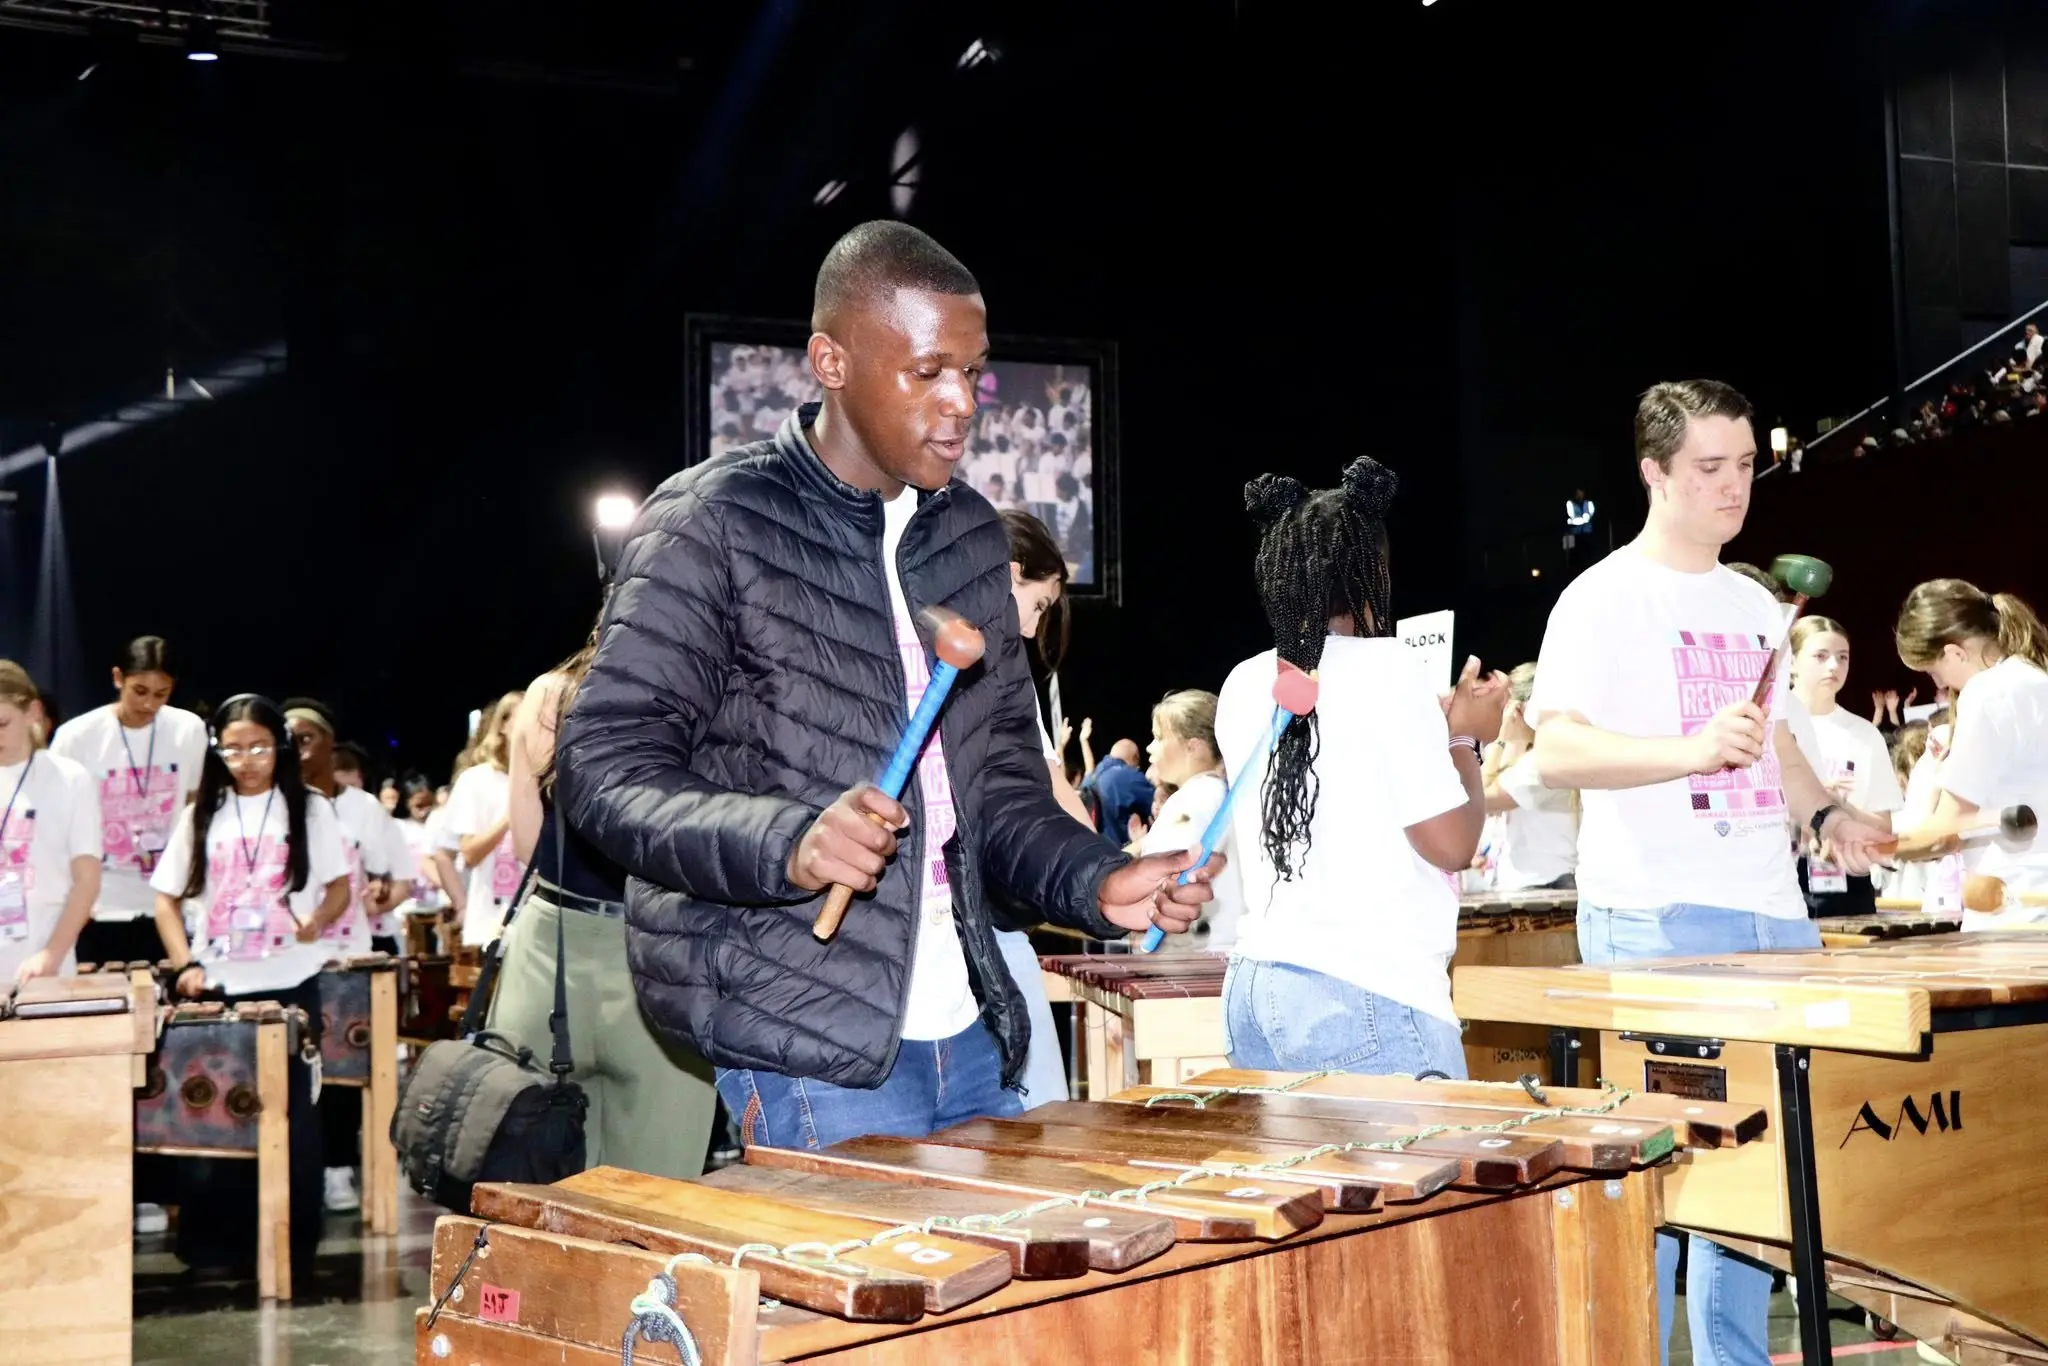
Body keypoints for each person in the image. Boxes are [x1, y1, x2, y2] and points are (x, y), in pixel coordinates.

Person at [555, 220, 1217, 1150]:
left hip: (976, 1023)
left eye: (973, 373)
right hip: (807, 1034)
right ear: (831, 360)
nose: (961, 404)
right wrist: (789, 842)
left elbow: (1003, 792)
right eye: (927, 371)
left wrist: (1097, 880)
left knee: (1000, 1297)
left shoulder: (973, 538)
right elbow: (603, 765)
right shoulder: (713, 519)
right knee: (873, 1297)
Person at [1527, 380, 1891, 1366]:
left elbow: (1772, 739)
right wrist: (1683, 752)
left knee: (1755, 1186)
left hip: (1771, 916)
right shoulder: (1598, 598)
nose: (1733, 489)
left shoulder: (1752, 602)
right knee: (1659, 1182)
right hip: (1656, 916)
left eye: (1743, 467)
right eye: (1708, 469)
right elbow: (1554, 753)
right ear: (1653, 472)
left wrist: (1826, 814)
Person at [1218, 456, 1504, 1079]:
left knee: (1299, 1180)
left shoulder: (1242, 682)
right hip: (1367, 992)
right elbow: (1451, 845)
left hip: (1257, 990)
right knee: (1420, 1177)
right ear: (1371, 571)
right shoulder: (1391, 669)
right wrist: (1467, 740)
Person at [490, 637, 719, 1178]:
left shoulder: (550, 695)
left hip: (553, 950)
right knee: (658, 1194)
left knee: (534, 1180)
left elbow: (528, 847)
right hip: (663, 952)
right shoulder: (705, 692)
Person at [149, 694, 349, 1275]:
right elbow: (165, 898)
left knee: (293, 1116)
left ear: (279, 746)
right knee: (218, 1117)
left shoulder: (309, 807)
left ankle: (291, 1240)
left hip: (291, 981)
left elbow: (339, 885)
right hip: (221, 984)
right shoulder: (203, 813)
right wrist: (185, 961)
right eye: (232, 748)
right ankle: (215, 1244)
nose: (247, 760)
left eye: (259, 746)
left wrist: (314, 922)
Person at [983, 509, 1094, 1110]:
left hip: (980, 927)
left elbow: (1056, 787)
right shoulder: (992, 670)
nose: (1033, 629)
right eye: (1041, 603)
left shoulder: (1003, 672)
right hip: (976, 931)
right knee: (1040, 1114)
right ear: (1011, 573)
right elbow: (1057, 792)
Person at [283, 697, 413, 1212]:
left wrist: (383, 896)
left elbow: (397, 879)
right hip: (286, 956)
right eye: (288, 739)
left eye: (307, 738)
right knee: (291, 1068)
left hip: (348, 955)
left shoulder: (362, 808)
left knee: (339, 1069)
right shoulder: (273, 801)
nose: (297, 749)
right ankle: (294, 1171)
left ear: (331, 744)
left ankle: (339, 1167)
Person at [1894, 579, 2048, 928]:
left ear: (1954, 653)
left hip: (2014, 910)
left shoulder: (1987, 693)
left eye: (1935, 672)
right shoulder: (2038, 678)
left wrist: (1874, 847)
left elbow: (1946, 831)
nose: (1941, 686)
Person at [50, 635, 208, 970]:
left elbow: (196, 806)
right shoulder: (76, 737)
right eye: (139, 691)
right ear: (118, 677)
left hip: (167, 901)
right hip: (101, 903)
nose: (149, 703)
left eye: (161, 694)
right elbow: (58, 822)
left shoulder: (188, 730)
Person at [1787, 619, 1902, 917]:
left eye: (1842, 657)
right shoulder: (1773, 726)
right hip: (1780, 878)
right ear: (1791, 662)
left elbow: (1881, 827)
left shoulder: (1864, 734)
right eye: (1820, 656)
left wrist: (1837, 807)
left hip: (1845, 882)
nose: (1833, 666)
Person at [0, 661, 102, 985]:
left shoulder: (70, 779)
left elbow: (86, 881)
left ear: (33, 712)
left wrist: (51, 954)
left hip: (43, 965)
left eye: (2, 723)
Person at [1138, 690, 1248, 948]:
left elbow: (1165, 874)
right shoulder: (1220, 794)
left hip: (1196, 953)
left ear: (1192, 747)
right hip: (1220, 947)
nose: (1150, 747)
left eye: (1159, 737)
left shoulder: (1195, 798)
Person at [433, 692, 526, 948]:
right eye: (524, 717)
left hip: (536, 926)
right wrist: (462, 906)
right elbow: (468, 853)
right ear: (504, 725)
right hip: (490, 926)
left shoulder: (545, 779)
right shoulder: (476, 780)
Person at [1481, 664, 1578, 892]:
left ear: (1520, 709)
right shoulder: (1537, 756)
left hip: (1545, 886)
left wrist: (1503, 738)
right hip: (1536, 885)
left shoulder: (1544, 760)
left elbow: (1482, 798)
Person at [1080, 737, 1155, 848]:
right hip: (1120, 855)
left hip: (1094, 855)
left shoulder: (1088, 779)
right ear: (1135, 759)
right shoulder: (1129, 776)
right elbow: (1160, 801)